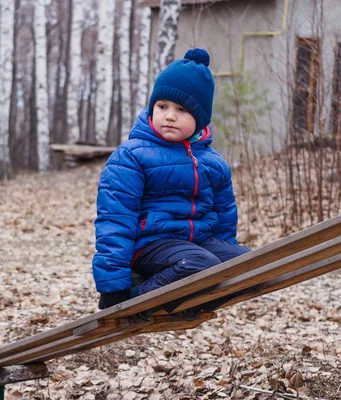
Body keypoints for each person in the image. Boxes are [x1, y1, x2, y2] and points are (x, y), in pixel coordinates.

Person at [92, 48, 250, 311]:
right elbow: (115, 220)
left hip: (197, 244)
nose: (170, 115)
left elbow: (224, 220)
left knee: (251, 265)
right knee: (201, 265)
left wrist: (227, 263)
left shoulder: (214, 163)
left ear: (200, 120)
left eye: (182, 109)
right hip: (151, 245)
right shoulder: (132, 156)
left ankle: (192, 301)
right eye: (162, 106)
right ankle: (137, 295)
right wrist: (113, 285)